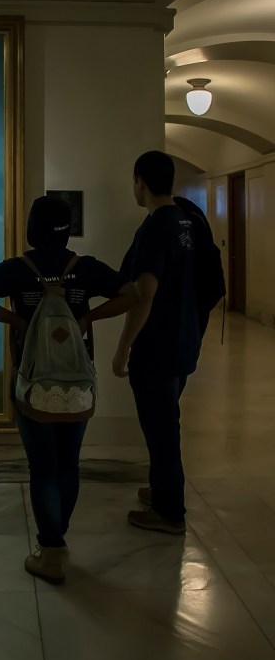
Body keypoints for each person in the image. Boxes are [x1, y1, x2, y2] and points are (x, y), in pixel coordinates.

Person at [0, 196, 137, 582]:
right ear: (67, 230)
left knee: (42, 466)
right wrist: (87, 316)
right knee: (68, 463)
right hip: (78, 383)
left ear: (32, 228)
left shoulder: (16, 269)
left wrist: (17, 320)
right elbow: (132, 294)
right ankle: (58, 539)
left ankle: (51, 550)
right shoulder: (86, 268)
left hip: (33, 384)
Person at [114, 150, 202, 535]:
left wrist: (123, 349)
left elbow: (144, 293)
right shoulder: (187, 220)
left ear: (140, 182)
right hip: (185, 339)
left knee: (162, 430)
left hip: (158, 347)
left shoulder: (154, 228)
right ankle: (162, 491)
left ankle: (170, 513)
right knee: (164, 423)